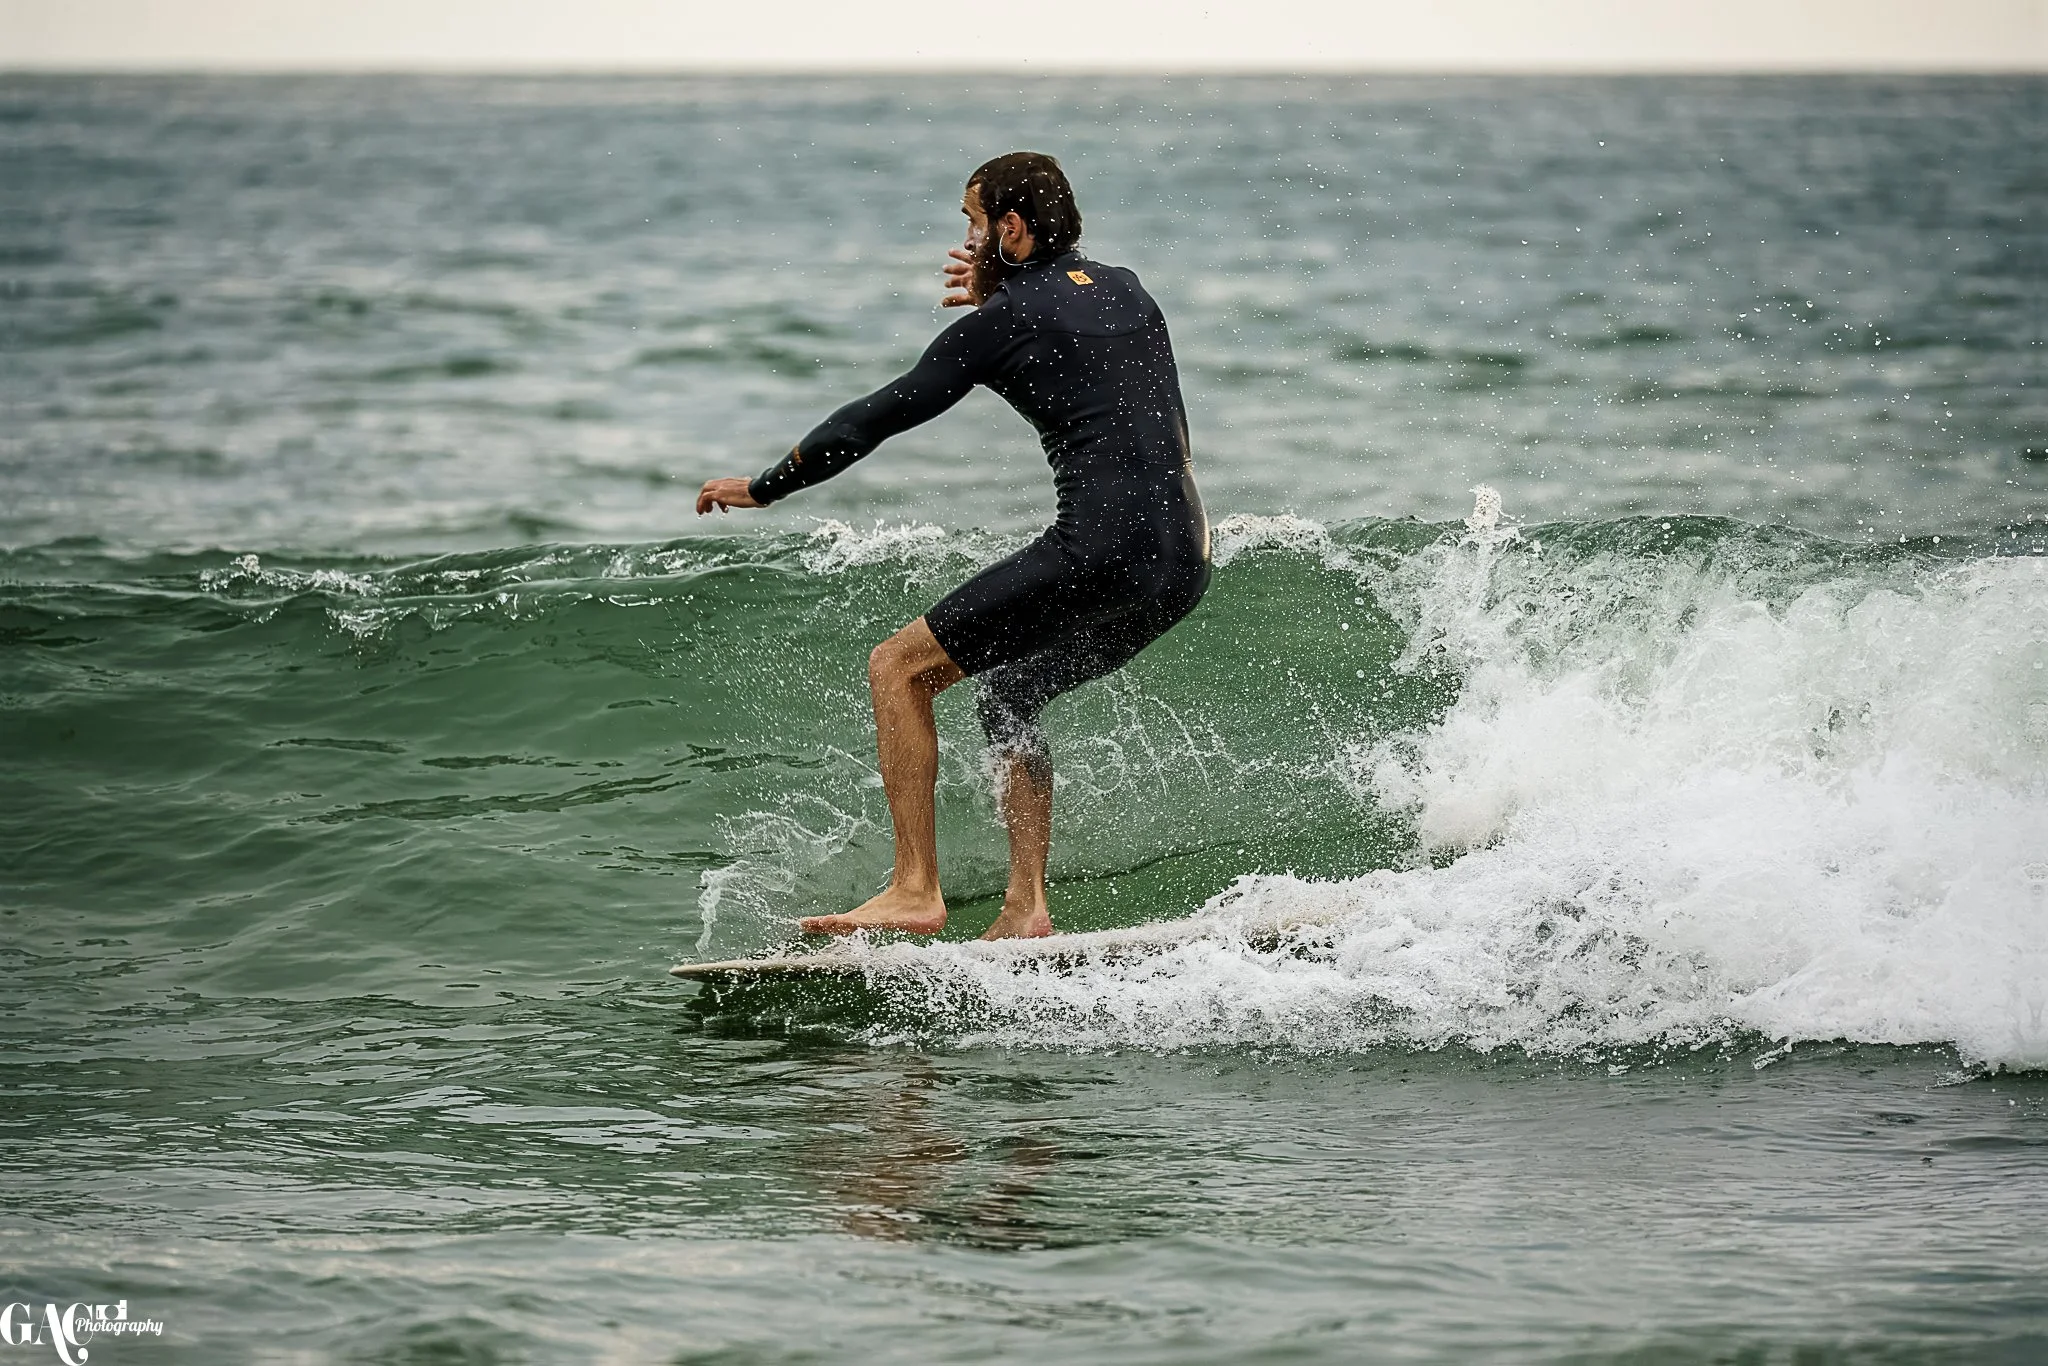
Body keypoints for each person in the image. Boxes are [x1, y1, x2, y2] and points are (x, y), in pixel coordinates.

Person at [696, 151, 1209, 940]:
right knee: (1010, 695)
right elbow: (1085, 358)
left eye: (973, 223)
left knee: (898, 669)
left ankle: (913, 889)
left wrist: (765, 486)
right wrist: (1005, 293)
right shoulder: (1129, 289)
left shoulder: (1000, 324)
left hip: (1101, 548)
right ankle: (1025, 908)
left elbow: (875, 417)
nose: (967, 241)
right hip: (1183, 557)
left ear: (1010, 227)